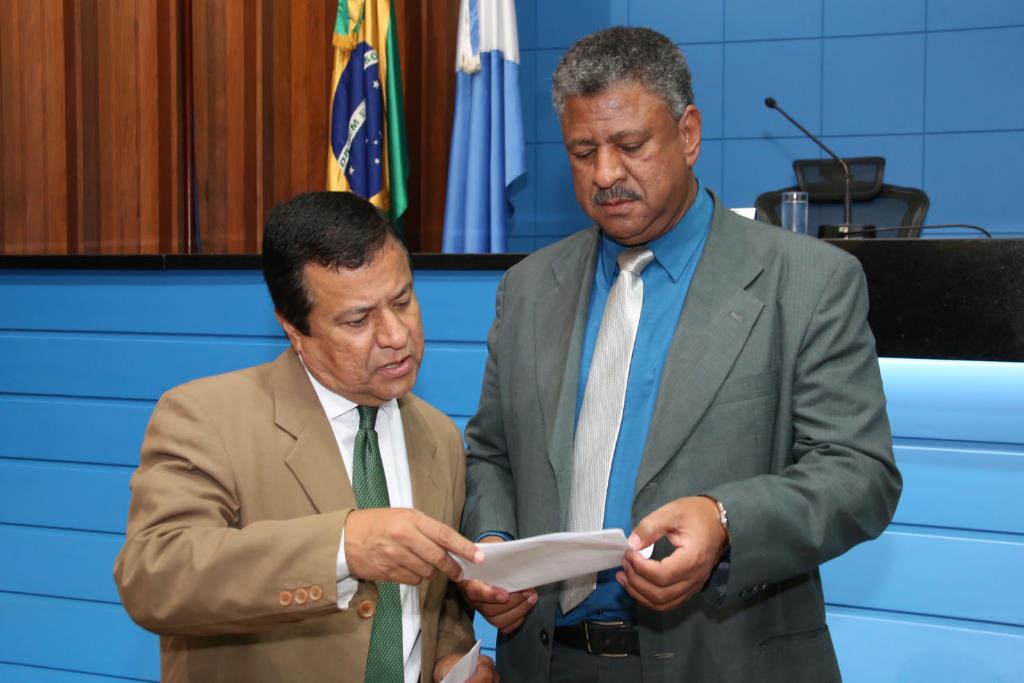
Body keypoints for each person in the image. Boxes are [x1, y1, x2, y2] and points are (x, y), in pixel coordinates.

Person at [459, 26, 901, 683]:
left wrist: (726, 521)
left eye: (630, 145)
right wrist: (492, 548)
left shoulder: (808, 282)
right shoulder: (527, 288)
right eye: (583, 151)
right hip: (548, 659)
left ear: (688, 134)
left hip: (728, 661)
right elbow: (492, 454)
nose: (605, 174)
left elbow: (860, 472)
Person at [114, 192, 496, 683]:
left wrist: (447, 658)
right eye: (358, 320)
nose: (396, 335)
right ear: (293, 328)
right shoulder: (206, 418)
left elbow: (436, 602)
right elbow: (153, 577)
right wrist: (341, 548)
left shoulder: (439, 436)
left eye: (403, 301)